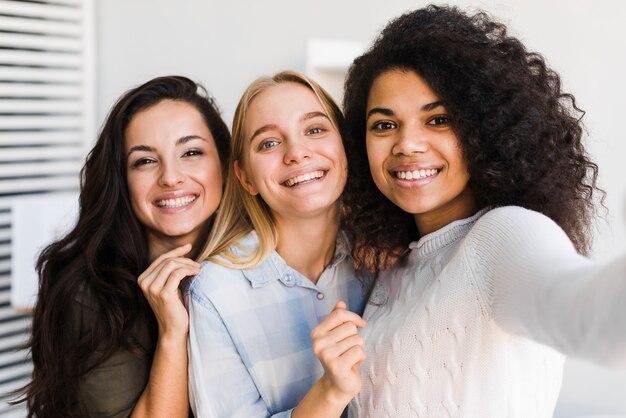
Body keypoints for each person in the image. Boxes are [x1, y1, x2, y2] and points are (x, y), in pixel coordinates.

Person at [312, 5, 626, 418]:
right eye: (384, 125)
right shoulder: (393, 266)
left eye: (438, 119)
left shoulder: (504, 235)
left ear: (485, 130)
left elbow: (593, 316)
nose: (407, 144)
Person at [19, 76, 230, 417]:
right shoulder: (88, 291)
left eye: (191, 152)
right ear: (121, 179)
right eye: (145, 161)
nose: (171, 177)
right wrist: (172, 334)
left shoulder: (247, 264)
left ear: (225, 165)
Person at [186, 70, 367, 418]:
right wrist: (329, 393)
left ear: (345, 147)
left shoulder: (385, 254)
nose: (297, 153)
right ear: (245, 178)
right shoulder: (215, 292)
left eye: (315, 130)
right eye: (269, 143)